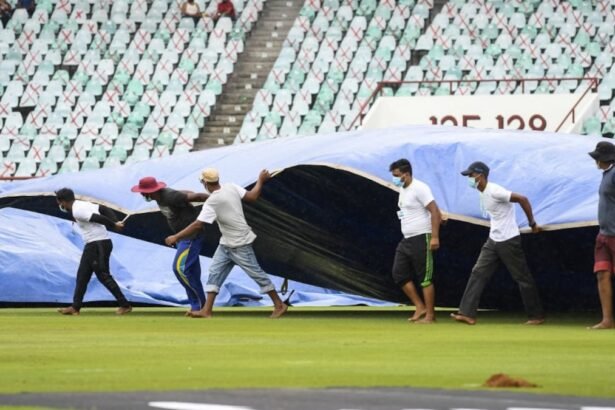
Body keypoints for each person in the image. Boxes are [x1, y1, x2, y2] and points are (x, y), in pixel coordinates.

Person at [165, 168, 288, 319]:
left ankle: (279, 305)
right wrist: (260, 181)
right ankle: (206, 311)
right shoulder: (231, 186)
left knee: (256, 273)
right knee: (215, 273)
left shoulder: (212, 201)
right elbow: (252, 197)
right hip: (226, 242)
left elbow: (198, 225)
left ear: (204, 182)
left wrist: (176, 237)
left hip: (239, 242)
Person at [451, 161, 544, 325]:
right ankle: (467, 313)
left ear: (480, 176)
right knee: (478, 272)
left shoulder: (495, 191)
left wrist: (532, 223)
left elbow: (522, 199)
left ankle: (536, 316)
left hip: (508, 239)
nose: (469, 179)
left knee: (522, 277)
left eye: (471, 175)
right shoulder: (483, 192)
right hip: (493, 239)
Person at [131, 177, 209, 317]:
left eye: (143, 192)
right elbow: (186, 194)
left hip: (190, 237)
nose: (142, 195)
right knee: (191, 272)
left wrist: (217, 199)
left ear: (151, 192)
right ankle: (198, 306)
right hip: (184, 239)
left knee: (180, 268)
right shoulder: (162, 197)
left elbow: (197, 196)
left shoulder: (170, 196)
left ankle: (199, 304)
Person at [55, 188, 132, 316]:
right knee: (82, 276)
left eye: (59, 202)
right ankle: (75, 307)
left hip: (99, 243)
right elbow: (103, 209)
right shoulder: (82, 204)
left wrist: (114, 224)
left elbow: (97, 217)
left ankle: (125, 305)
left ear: (62, 201)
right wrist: (115, 221)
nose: (60, 206)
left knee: (103, 275)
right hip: (92, 244)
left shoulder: (77, 210)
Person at [389, 159, 441, 323]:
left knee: (425, 277)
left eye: (396, 175)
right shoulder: (402, 190)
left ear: (406, 174)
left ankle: (430, 316)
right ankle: (420, 306)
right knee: (399, 273)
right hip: (407, 238)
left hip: (422, 236)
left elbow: (434, 211)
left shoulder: (420, 188)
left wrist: (434, 236)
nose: (394, 179)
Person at [588, 141, 615, 329]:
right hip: (603, 234)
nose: (595, 161)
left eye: (597, 158)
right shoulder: (607, 174)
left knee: (604, 274)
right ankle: (607, 320)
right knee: (602, 274)